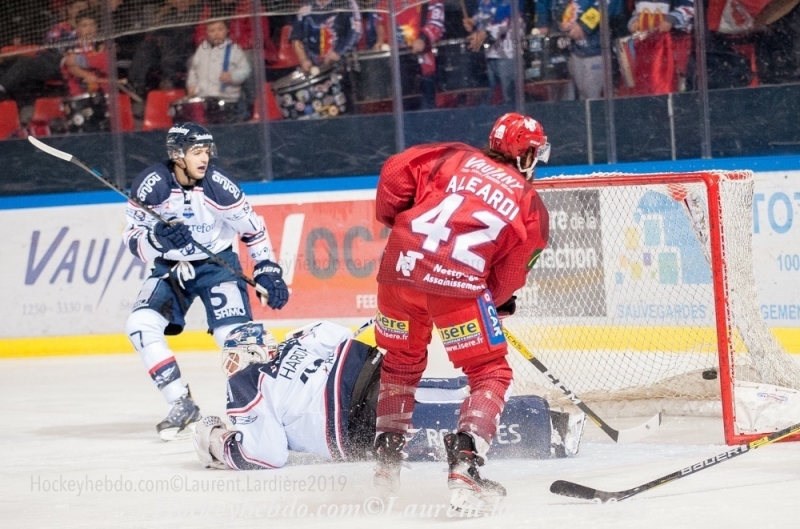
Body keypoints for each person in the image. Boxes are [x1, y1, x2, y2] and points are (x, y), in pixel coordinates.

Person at [371, 112, 551, 513]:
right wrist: (496, 300)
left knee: (401, 361)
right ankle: (465, 468)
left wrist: (398, 220)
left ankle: (385, 464)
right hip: (457, 289)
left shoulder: (450, 156)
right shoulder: (531, 205)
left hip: (397, 272)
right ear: (526, 156)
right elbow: (508, 276)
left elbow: (395, 171)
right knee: (491, 371)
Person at [193, 321, 585, 470]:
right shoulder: (296, 340)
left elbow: (266, 454)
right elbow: (337, 334)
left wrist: (215, 440)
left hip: (354, 418)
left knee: (437, 425)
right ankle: (535, 409)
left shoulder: (244, 383)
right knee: (437, 394)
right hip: (369, 371)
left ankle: (543, 427)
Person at [123, 122, 290, 441]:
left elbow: (253, 230)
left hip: (217, 265)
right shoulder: (151, 186)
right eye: (196, 151)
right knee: (140, 325)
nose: (204, 158)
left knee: (235, 339)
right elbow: (132, 240)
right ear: (177, 154)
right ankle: (180, 403)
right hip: (171, 268)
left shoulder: (219, 187)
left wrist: (266, 267)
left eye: (206, 151)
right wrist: (158, 239)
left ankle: (264, 410)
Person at [373, 0, 444, 109]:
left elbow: (436, 22)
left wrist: (423, 39)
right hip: (396, 68)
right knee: (402, 112)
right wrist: (380, 40)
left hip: (423, 65)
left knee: (426, 114)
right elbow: (380, 19)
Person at [186, 19, 252, 122]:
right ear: (207, 33)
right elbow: (193, 70)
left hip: (228, 100)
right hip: (204, 100)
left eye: (220, 29)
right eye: (212, 31)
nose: (216, 33)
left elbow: (245, 70)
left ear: (227, 30)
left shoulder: (235, 50)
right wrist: (192, 85)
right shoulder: (201, 50)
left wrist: (232, 77)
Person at [463, 0, 522, 106]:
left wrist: (485, 33)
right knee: (490, 99)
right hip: (489, 54)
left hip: (508, 53)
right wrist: (474, 22)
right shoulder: (483, 2)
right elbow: (483, 16)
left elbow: (507, 20)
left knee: (509, 98)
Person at [290, 0, 362, 74]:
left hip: (344, 64)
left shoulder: (347, 2)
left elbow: (356, 32)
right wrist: (303, 59)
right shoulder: (306, 5)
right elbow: (296, 37)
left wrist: (338, 52)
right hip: (316, 67)